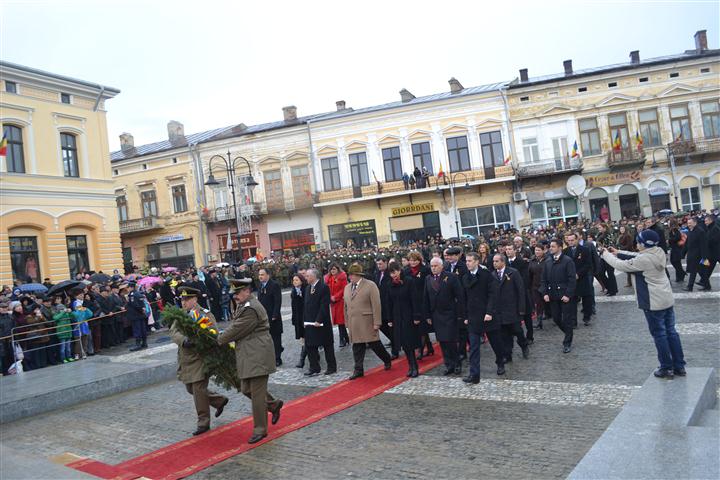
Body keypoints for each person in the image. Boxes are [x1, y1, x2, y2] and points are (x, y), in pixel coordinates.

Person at [600, 230, 686, 378]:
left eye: (639, 242)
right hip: (665, 298)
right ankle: (679, 366)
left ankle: (666, 367)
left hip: (653, 302)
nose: (637, 244)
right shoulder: (658, 251)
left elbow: (622, 265)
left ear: (643, 244)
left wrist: (605, 254)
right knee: (671, 332)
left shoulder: (644, 260)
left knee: (660, 335)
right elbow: (637, 256)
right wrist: (617, 251)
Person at [218, 279, 284, 444]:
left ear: (247, 291)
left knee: (256, 394)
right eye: (234, 293)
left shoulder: (251, 309)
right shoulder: (245, 305)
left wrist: (218, 338)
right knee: (246, 388)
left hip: (257, 354)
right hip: (250, 354)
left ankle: (260, 429)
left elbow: (237, 329)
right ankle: (274, 405)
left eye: (238, 293)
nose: (235, 296)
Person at [170, 286, 229, 436]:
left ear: (195, 300)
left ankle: (203, 422)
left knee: (198, 389)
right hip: (185, 357)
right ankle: (218, 401)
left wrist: (198, 340)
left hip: (200, 358)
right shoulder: (181, 315)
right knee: (191, 388)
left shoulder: (205, 314)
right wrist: (183, 340)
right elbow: (173, 332)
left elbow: (213, 332)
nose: (184, 303)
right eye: (182, 300)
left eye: (187, 299)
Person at [345, 263, 392, 379]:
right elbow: (345, 306)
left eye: (352, 275)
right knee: (357, 346)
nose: (350, 277)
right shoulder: (347, 287)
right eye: (349, 275)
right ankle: (358, 369)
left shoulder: (370, 285)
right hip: (354, 322)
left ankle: (387, 359)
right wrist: (347, 321)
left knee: (375, 344)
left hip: (367, 321)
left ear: (358, 275)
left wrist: (377, 322)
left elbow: (376, 305)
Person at [424, 257, 465, 376]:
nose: (433, 268)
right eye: (432, 266)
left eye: (436, 266)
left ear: (442, 266)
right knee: (442, 341)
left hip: (450, 314)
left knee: (451, 341)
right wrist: (427, 315)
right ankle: (448, 364)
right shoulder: (428, 279)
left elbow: (459, 295)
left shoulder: (451, 277)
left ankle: (457, 364)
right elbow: (425, 298)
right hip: (436, 315)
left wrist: (460, 313)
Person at [462, 252, 496, 382]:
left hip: (487, 315)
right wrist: (465, 315)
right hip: (473, 316)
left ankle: (501, 361)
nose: (468, 263)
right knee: (474, 347)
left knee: (495, 342)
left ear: (477, 261)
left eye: (470, 261)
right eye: (466, 261)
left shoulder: (486, 275)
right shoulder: (465, 277)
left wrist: (489, 312)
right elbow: (464, 298)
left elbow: (492, 294)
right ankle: (474, 374)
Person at [491, 253, 530, 363]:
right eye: (493, 261)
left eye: (497, 261)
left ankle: (523, 345)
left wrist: (522, 309)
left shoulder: (513, 272)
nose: (494, 263)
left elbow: (521, 291)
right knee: (504, 334)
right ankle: (508, 354)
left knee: (517, 330)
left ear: (503, 262)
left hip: (513, 309)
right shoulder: (493, 275)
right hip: (500, 311)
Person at [540, 239, 577, 353]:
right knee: (556, 318)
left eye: (553, 246)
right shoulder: (548, 261)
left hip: (565, 295)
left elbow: (572, 279)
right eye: (550, 246)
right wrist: (545, 292)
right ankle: (568, 332)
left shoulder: (567, 261)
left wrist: (568, 294)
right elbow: (544, 279)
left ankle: (567, 342)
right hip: (553, 295)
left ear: (560, 247)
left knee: (567, 319)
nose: (551, 248)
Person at [386, 262, 421, 377]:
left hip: (408, 315)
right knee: (403, 343)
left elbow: (415, 299)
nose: (393, 275)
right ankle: (410, 366)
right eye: (391, 273)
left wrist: (416, 316)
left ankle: (414, 366)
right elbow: (389, 303)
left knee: (409, 341)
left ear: (399, 270)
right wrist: (389, 318)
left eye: (395, 272)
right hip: (397, 317)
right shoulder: (390, 284)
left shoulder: (409, 281)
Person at [303, 269, 337, 376]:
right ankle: (314, 367)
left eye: (308, 276)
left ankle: (331, 367)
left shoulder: (323, 287)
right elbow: (306, 306)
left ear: (314, 276)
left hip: (321, 322)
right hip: (310, 322)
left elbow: (324, 306)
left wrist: (319, 319)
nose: (306, 278)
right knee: (310, 345)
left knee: (327, 345)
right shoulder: (308, 288)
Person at [402, 251, 434, 359]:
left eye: (414, 260)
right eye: (410, 260)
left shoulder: (425, 270)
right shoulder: (406, 271)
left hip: (423, 300)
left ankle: (420, 349)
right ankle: (429, 347)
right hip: (412, 301)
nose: (412, 262)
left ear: (419, 260)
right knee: (418, 328)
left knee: (422, 327)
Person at [505, 244, 533, 344]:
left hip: (521, 292)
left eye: (510, 249)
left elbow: (525, 278)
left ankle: (530, 336)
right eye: (506, 249)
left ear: (515, 251)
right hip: (509, 295)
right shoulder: (504, 263)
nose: (508, 251)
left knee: (527, 316)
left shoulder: (522, 262)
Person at [564, 232, 594, 326]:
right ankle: (573, 321)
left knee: (586, 299)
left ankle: (587, 317)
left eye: (572, 240)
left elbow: (588, 264)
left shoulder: (584, 250)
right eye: (568, 241)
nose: (570, 242)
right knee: (572, 301)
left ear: (577, 239)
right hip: (571, 280)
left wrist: (578, 274)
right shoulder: (565, 251)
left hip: (583, 278)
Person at [257, 268, 283, 366]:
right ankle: (270, 356)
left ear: (268, 275)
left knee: (276, 337)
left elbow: (277, 301)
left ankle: (277, 358)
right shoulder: (260, 286)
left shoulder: (274, 285)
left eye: (262, 274)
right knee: (266, 338)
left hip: (273, 316)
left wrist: (275, 315)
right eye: (259, 274)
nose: (260, 276)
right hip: (264, 317)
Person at [373, 257, 397, 359]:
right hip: (380, 304)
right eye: (378, 264)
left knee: (391, 327)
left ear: (386, 263)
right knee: (382, 325)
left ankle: (395, 350)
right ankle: (395, 341)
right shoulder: (377, 274)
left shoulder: (390, 273)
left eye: (381, 264)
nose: (379, 266)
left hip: (389, 303)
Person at [325, 263, 349, 347]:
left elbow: (344, 288)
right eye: (331, 269)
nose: (333, 271)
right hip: (333, 302)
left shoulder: (342, 277)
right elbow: (327, 289)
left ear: (338, 269)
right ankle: (346, 338)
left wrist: (336, 297)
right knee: (339, 321)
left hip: (340, 301)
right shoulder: (328, 278)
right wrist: (329, 297)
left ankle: (342, 338)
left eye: (334, 269)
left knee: (341, 321)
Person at [683, 217, 708, 292]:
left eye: (690, 223)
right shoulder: (690, 231)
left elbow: (703, 245)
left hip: (698, 256)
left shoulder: (700, 231)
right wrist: (683, 253)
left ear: (695, 223)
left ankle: (689, 287)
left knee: (693, 271)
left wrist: (704, 257)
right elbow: (687, 243)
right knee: (701, 271)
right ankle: (707, 285)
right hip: (692, 255)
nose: (689, 224)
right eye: (688, 223)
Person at [290, 274, 307, 368]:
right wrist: (293, 319)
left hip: (305, 317)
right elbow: (293, 306)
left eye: (296, 280)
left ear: (301, 280)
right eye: (293, 280)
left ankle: (302, 359)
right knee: (303, 338)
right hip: (298, 318)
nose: (294, 282)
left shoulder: (306, 290)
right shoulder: (294, 291)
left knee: (306, 338)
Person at [528, 244, 547, 330]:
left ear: (543, 251)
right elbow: (530, 274)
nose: (537, 252)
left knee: (548, 303)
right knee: (538, 304)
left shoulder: (548, 260)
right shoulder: (532, 261)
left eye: (539, 250)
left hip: (546, 285)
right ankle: (539, 321)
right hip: (535, 285)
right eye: (536, 250)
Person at [126, 282, 148, 351]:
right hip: (141, 314)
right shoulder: (139, 293)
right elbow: (142, 303)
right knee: (142, 329)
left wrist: (140, 309)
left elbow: (135, 305)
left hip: (135, 315)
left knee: (137, 330)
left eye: (128, 287)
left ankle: (138, 344)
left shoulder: (132, 295)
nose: (127, 289)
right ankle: (144, 343)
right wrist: (142, 309)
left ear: (131, 287)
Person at [702, 214, 719, 290]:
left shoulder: (715, 228)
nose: (705, 222)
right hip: (711, 254)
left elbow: (714, 240)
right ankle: (704, 282)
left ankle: (704, 282)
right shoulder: (709, 228)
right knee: (706, 268)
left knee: (707, 268)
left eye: (706, 221)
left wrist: (706, 242)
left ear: (710, 220)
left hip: (715, 253)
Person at [667, 218, 686, 284]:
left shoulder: (675, 230)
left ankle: (681, 275)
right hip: (674, 248)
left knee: (675, 262)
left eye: (669, 222)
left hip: (677, 249)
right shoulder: (672, 230)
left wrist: (669, 240)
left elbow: (677, 238)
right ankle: (680, 275)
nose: (668, 223)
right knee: (676, 262)